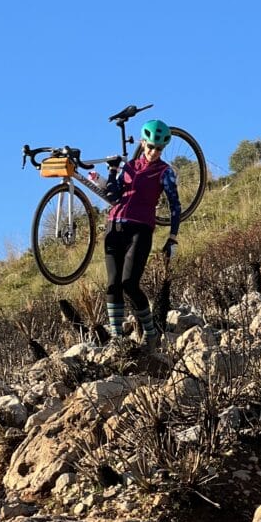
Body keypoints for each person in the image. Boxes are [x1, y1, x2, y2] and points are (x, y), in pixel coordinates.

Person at [99, 118, 181, 350]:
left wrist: (172, 237)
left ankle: (151, 333)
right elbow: (113, 195)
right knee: (113, 284)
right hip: (113, 226)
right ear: (143, 143)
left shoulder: (165, 171)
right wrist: (113, 171)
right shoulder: (130, 166)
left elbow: (175, 206)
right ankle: (118, 339)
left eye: (159, 149)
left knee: (129, 283)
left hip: (141, 228)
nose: (154, 152)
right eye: (150, 146)